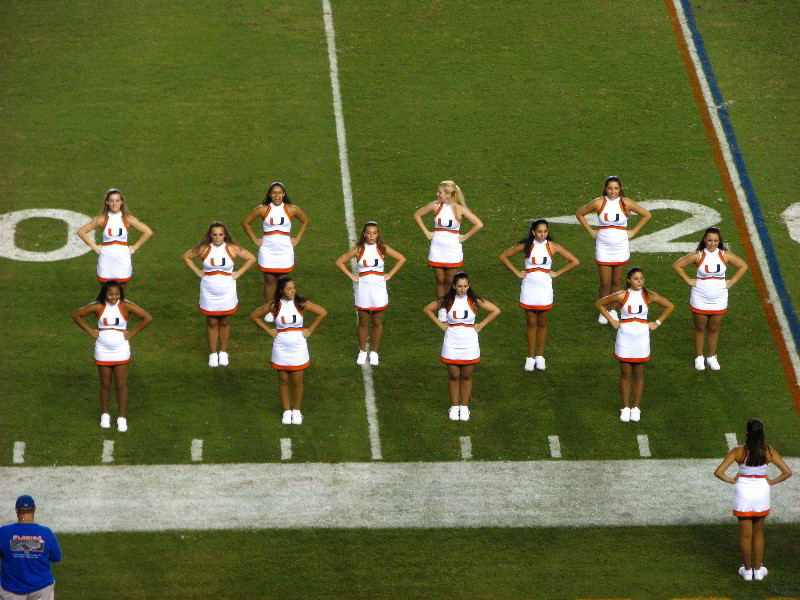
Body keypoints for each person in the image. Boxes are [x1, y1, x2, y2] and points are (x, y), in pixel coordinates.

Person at [714, 419, 792, 581]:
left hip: (743, 492)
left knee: (745, 535)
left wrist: (733, 480)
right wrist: (771, 481)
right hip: (761, 492)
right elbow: (787, 472)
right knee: (759, 533)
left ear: (746, 432)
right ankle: (759, 570)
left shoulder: (738, 451)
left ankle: (747, 571)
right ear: (761, 433)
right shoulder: (769, 452)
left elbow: (719, 472)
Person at [499, 218, 580, 371]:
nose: (542, 234)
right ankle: (529, 357)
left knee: (542, 323)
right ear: (533, 232)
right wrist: (517, 272)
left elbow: (574, 261)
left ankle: (540, 356)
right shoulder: (526, 246)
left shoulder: (552, 246)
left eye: (545, 231)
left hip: (544, 287)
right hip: (529, 287)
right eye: (539, 231)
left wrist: (556, 273)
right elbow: (503, 256)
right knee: (531, 323)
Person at [72, 280, 153, 432]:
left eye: (116, 294)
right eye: (110, 294)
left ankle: (122, 418)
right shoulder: (98, 306)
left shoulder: (125, 306)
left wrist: (132, 333)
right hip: (102, 350)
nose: (113, 297)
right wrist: (90, 331)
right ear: (105, 294)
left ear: (120, 294)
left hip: (121, 350)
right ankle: (105, 415)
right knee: (105, 383)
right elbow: (76, 315)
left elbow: (147, 317)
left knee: (121, 384)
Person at [596, 267, 673, 422]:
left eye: (642, 278)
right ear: (628, 280)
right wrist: (612, 320)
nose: (640, 281)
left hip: (642, 338)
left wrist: (657, 323)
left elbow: (669, 306)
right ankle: (624, 408)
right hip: (625, 338)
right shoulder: (621, 295)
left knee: (638, 374)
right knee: (625, 374)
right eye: (636, 278)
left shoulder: (648, 295)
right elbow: (600, 303)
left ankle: (636, 408)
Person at [423, 272, 501, 421]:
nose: (462, 289)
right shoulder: (448, 300)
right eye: (460, 286)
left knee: (466, 375)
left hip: (469, 341)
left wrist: (480, 326)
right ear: (454, 286)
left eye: (465, 286)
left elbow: (495, 310)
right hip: (452, 341)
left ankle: (464, 407)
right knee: (453, 375)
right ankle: (454, 406)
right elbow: (427, 309)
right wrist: (442, 325)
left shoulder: (473, 300)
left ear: (469, 286)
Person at [250, 277, 327, 425]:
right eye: (289, 289)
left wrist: (310, 329)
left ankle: (296, 411)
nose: (293, 291)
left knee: (297, 381)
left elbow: (322, 312)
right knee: (283, 381)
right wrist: (269, 330)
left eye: (294, 288)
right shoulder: (274, 306)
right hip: (281, 347)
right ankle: (286, 411)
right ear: (281, 291)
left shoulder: (300, 303)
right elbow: (255, 315)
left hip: (298, 347)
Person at [576, 176, 651, 324]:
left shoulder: (625, 203)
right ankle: (603, 311)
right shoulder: (599, 202)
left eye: (616, 188)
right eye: (610, 188)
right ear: (605, 189)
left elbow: (646, 215)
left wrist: (634, 231)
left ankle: (613, 310)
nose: (613, 191)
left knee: (617, 281)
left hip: (620, 246)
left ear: (620, 189)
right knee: (605, 282)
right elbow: (580, 213)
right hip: (603, 246)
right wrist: (591, 231)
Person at [672, 227, 749, 371]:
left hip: (719, 298)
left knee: (714, 328)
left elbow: (743, 266)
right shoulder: (698, 255)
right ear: (705, 240)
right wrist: (688, 280)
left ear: (719, 241)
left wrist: (731, 282)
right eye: (709, 240)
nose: (712, 243)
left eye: (715, 240)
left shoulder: (725, 255)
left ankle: (712, 356)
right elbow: (677, 265)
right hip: (699, 297)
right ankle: (699, 357)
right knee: (700, 327)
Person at [182, 222, 256, 367]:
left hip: (227, 290)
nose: (217, 237)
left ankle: (223, 352)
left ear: (225, 235)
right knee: (211, 322)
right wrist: (198, 272)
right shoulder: (204, 248)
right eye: (214, 234)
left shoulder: (232, 248)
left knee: (224, 321)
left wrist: (237, 274)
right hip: (208, 290)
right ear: (210, 235)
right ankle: (212, 354)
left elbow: (251, 258)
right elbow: (186, 257)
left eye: (220, 234)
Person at [335, 221, 407, 366]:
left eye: (374, 233)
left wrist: (390, 274)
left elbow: (401, 259)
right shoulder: (359, 249)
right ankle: (362, 351)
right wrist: (352, 276)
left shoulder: (382, 248)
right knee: (363, 322)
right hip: (363, 289)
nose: (371, 235)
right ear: (364, 234)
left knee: (376, 322)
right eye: (368, 232)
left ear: (378, 234)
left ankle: (374, 352)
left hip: (379, 289)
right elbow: (339, 261)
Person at [414, 181, 483, 322]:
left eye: (439, 192)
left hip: (452, 250)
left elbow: (478, 224)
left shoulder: (459, 209)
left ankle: (449, 305)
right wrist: (427, 232)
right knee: (439, 280)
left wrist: (464, 237)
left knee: (449, 281)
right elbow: (417, 215)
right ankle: (442, 308)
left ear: (448, 194)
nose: (436, 194)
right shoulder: (435, 206)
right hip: (437, 248)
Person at [241, 182, 310, 318]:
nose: (277, 195)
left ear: (284, 194)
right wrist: (255, 240)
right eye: (274, 193)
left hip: (285, 250)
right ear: (269, 194)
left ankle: (283, 309)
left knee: (284, 282)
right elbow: (245, 222)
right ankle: (269, 310)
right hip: (268, 250)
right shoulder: (263, 209)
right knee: (269, 281)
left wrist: (297, 239)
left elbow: (305, 221)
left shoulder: (291, 209)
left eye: (279, 192)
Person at [77, 188, 153, 284]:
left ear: (121, 202)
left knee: (120, 294)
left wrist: (134, 248)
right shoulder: (101, 219)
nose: (114, 203)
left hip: (123, 260)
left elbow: (147, 232)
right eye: (111, 201)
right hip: (106, 260)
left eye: (117, 201)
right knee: (105, 293)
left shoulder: (127, 219)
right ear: (107, 202)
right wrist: (95, 247)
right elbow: (81, 232)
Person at [0, 496, 61, 600]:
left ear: (16, 510)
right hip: (41, 589)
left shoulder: (3, 532)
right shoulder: (46, 533)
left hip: (11, 589)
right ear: (34, 510)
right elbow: (56, 558)